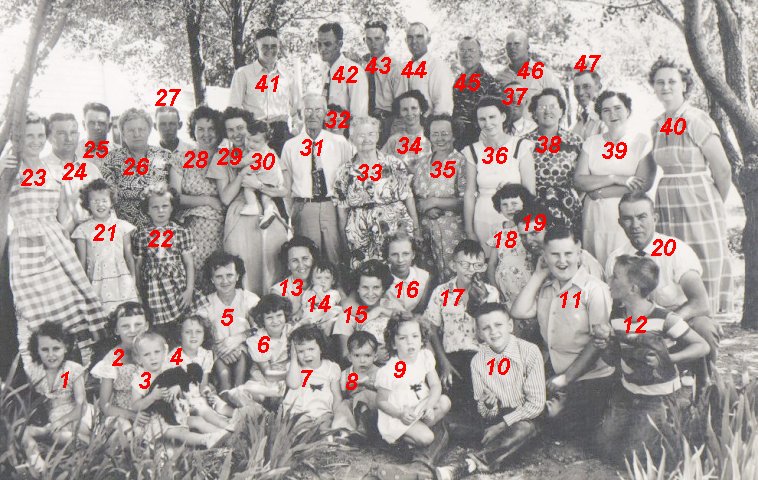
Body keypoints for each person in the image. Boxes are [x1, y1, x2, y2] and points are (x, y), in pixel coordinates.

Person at [3, 113, 106, 369]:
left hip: (57, 245)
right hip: (28, 248)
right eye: (29, 136)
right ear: (18, 138)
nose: (36, 141)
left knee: (75, 307)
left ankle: (78, 377)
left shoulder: (52, 169)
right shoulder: (10, 170)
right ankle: (50, 383)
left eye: (40, 135)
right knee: (44, 317)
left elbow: (64, 217)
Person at [639, 56, 733, 315]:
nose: (665, 87)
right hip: (668, 199)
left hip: (699, 198)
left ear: (684, 85)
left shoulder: (696, 119)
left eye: (672, 81)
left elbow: (723, 169)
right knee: (675, 261)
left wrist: (712, 202)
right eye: (660, 82)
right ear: (654, 87)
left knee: (702, 260)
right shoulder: (658, 125)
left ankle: (707, 329)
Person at [595, 255, 710, 465]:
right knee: (603, 446)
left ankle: (675, 416)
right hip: (628, 392)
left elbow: (702, 346)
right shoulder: (618, 318)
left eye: (615, 277)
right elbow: (614, 360)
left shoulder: (664, 318)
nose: (609, 281)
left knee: (632, 458)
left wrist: (669, 358)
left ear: (633, 288)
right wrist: (604, 347)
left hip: (659, 397)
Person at [607, 192, 720, 388]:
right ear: (620, 222)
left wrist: (664, 324)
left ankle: (705, 387)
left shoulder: (675, 249)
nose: (635, 225)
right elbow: (616, 306)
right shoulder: (617, 258)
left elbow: (700, 303)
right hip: (637, 324)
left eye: (642, 217)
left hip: (681, 319)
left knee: (705, 327)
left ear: (655, 218)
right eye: (628, 219)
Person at [510, 226, 614, 437]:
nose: (562, 261)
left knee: (550, 421)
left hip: (588, 378)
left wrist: (566, 378)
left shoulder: (594, 290)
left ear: (579, 253)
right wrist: (539, 275)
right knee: (516, 406)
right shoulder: (547, 287)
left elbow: (598, 342)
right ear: (544, 256)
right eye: (554, 255)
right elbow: (519, 311)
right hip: (555, 375)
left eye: (568, 254)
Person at [435, 303, 544, 480]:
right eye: (486, 328)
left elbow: (536, 405)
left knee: (524, 429)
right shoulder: (478, 360)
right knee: (446, 421)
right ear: (478, 334)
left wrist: (502, 425)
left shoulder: (530, 352)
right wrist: (488, 405)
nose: (493, 332)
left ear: (510, 325)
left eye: (498, 325)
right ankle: (422, 465)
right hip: (493, 421)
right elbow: (484, 412)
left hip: (523, 419)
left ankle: (469, 464)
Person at [207, 107, 288, 294]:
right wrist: (242, 173)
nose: (236, 134)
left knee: (271, 265)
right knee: (243, 268)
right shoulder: (222, 157)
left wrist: (258, 185)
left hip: (267, 210)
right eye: (230, 130)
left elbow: (283, 190)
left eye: (240, 128)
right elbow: (226, 197)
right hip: (240, 214)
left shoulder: (267, 151)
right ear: (225, 133)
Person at [573, 90, 653, 267]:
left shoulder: (641, 141)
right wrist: (615, 178)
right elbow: (579, 180)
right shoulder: (591, 143)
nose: (612, 114)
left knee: (626, 265)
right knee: (596, 264)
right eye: (606, 110)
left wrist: (600, 191)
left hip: (627, 213)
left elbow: (642, 184)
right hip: (595, 215)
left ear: (628, 111)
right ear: (600, 115)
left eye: (618, 108)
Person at [425, 239, 500, 414]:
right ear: (453, 265)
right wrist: (443, 362)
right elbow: (432, 330)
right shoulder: (441, 292)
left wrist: (479, 304)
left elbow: (489, 335)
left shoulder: (491, 293)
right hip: (451, 357)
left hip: (481, 358)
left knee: (482, 404)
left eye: (477, 265)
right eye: (464, 264)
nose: (471, 270)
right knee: (449, 399)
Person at [333, 116, 421, 261]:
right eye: (361, 135)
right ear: (352, 138)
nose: (366, 139)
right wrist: (344, 243)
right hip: (359, 234)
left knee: (397, 270)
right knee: (365, 277)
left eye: (371, 134)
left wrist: (416, 230)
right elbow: (342, 212)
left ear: (378, 136)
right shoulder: (344, 171)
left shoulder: (393, 163)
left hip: (395, 229)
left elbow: (408, 197)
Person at [280, 93, 352, 266]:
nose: (313, 115)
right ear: (300, 113)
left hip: (332, 207)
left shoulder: (340, 142)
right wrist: (294, 211)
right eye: (308, 110)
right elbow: (286, 185)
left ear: (326, 113)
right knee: (308, 259)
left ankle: (337, 292)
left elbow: (349, 178)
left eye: (318, 110)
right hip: (304, 207)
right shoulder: (290, 146)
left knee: (335, 257)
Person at [463, 96, 536, 257]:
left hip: (514, 218)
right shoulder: (472, 151)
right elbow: (469, 193)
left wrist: (526, 225)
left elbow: (530, 192)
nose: (487, 123)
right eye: (482, 119)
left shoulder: (520, 146)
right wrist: (469, 230)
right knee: (487, 264)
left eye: (492, 117)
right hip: (483, 218)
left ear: (503, 117)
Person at [130, 331, 229, 448]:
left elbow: (183, 387)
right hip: (156, 421)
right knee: (179, 432)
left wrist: (177, 388)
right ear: (139, 359)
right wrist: (152, 397)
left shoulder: (168, 369)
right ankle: (205, 440)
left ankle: (224, 435)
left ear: (164, 352)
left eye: (157, 352)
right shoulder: (142, 378)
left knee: (197, 420)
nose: (153, 358)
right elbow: (135, 406)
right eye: (147, 355)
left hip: (177, 414)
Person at [21, 322, 95, 476]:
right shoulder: (35, 371)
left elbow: (82, 405)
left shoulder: (71, 370)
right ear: (37, 350)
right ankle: (37, 462)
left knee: (58, 435)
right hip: (52, 422)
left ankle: (89, 445)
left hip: (76, 417)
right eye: (45, 349)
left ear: (66, 347)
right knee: (25, 431)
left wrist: (63, 421)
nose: (51, 354)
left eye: (56, 348)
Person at [168, 106, 225, 289]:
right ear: (193, 131)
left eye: (211, 129)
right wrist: (207, 200)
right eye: (200, 129)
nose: (206, 134)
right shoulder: (182, 158)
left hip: (223, 228)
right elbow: (174, 198)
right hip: (191, 229)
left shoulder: (226, 157)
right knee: (195, 279)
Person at [376, 311, 451, 446]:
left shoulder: (425, 356)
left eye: (415, 336)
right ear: (393, 343)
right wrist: (400, 414)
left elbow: (435, 385)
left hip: (420, 407)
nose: (410, 342)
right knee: (427, 438)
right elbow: (381, 402)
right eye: (403, 338)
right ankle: (401, 440)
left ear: (422, 340)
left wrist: (429, 406)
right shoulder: (388, 370)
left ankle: (419, 429)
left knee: (445, 402)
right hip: (399, 415)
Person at [132, 182, 195, 332]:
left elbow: (189, 264)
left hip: (176, 286)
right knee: (158, 327)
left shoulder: (181, 232)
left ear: (172, 207)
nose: (160, 211)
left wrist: (189, 290)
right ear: (147, 210)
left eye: (165, 206)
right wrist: (138, 291)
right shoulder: (141, 234)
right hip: (153, 290)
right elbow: (138, 266)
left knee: (181, 322)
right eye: (155, 207)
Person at [228, 28, 301, 155]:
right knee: (252, 173)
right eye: (265, 47)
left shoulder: (287, 75)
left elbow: (297, 110)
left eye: (274, 46)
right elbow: (233, 110)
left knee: (281, 174)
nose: (270, 50)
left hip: (281, 135)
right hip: (254, 134)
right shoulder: (243, 74)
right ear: (256, 48)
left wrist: (295, 133)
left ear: (279, 47)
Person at [412, 114, 467, 279]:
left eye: (445, 133)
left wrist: (434, 202)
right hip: (425, 231)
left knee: (453, 275)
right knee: (426, 277)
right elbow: (413, 197)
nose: (440, 138)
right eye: (435, 134)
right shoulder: (421, 163)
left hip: (452, 231)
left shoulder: (461, 161)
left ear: (454, 135)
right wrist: (425, 207)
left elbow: (466, 200)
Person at [72, 179, 139, 314]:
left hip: (122, 280)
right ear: (87, 204)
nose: (100, 205)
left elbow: (129, 257)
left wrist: (133, 281)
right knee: (102, 315)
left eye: (104, 200)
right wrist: (83, 289)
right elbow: (82, 263)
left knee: (125, 313)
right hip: (97, 282)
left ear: (111, 202)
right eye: (95, 201)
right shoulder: (83, 230)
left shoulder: (122, 226)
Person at [195, 252, 259, 391]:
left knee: (241, 354)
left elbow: (260, 328)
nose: (225, 281)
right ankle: (225, 390)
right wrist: (218, 348)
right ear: (212, 279)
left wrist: (239, 338)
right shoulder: (206, 303)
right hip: (218, 353)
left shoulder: (248, 299)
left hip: (244, 353)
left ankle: (239, 389)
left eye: (229, 275)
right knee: (223, 373)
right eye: (219, 276)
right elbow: (201, 334)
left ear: (237, 276)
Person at [101, 107, 172, 229]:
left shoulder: (165, 156)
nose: (137, 134)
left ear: (149, 130)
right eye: (131, 130)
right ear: (123, 133)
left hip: (161, 230)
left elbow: (174, 194)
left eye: (141, 129)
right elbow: (107, 198)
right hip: (125, 231)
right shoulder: (111, 159)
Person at [524, 88, 583, 229]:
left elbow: (582, 178)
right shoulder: (524, 143)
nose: (547, 111)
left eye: (553, 106)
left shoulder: (575, 142)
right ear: (534, 113)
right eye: (542, 107)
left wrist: (575, 200)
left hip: (568, 208)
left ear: (562, 111)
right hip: (534, 208)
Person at [90, 302, 150, 432]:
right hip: (120, 414)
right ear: (117, 330)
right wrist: (132, 416)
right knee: (124, 428)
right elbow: (105, 405)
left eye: (138, 324)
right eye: (125, 326)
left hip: (146, 410)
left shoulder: (154, 351)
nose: (133, 330)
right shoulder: (113, 359)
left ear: (146, 326)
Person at [226, 294, 292, 405]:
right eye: (269, 317)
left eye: (279, 315)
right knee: (236, 394)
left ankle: (272, 408)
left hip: (286, 380)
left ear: (285, 315)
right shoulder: (259, 339)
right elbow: (267, 373)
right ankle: (261, 413)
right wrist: (290, 375)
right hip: (264, 381)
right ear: (262, 319)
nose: (275, 321)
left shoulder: (291, 332)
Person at [334, 259, 404, 363]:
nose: (370, 293)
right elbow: (345, 355)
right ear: (357, 288)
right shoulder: (348, 315)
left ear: (383, 289)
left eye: (376, 287)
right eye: (365, 287)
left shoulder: (391, 305)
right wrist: (372, 356)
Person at [516, 205, 605, 280]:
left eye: (534, 233)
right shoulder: (527, 260)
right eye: (523, 236)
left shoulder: (581, 260)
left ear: (548, 229)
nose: (528, 241)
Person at [44, 112, 103, 226]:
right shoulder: (40, 170)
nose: (69, 138)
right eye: (61, 133)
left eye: (73, 133)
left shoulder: (91, 170)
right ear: (49, 138)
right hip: (53, 239)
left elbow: (107, 210)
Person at [283, 325, 342, 430]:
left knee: (326, 428)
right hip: (299, 412)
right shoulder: (294, 367)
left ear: (321, 348)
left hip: (323, 412)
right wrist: (293, 359)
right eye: (300, 351)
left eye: (311, 349)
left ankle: (329, 442)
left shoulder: (331, 368)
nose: (306, 355)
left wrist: (335, 414)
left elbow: (337, 396)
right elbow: (293, 384)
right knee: (300, 429)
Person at [486, 183, 536, 307]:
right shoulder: (498, 230)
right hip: (504, 287)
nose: (510, 208)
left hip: (527, 282)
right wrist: (494, 288)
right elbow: (492, 263)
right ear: (499, 207)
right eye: (505, 204)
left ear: (524, 203)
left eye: (514, 203)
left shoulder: (528, 228)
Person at [495, 30, 563, 120]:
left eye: (517, 44)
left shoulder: (543, 74)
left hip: (536, 132)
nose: (512, 48)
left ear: (527, 47)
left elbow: (561, 104)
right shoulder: (500, 77)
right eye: (509, 44)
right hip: (508, 132)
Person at [452, 36, 503, 149]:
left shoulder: (488, 81)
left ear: (481, 54)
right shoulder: (457, 80)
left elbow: (496, 116)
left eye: (471, 50)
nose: (466, 54)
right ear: (456, 55)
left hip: (479, 141)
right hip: (457, 141)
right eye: (462, 50)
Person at [359, 20, 405, 145]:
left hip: (388, 124)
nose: (373, 44)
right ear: (364, 40)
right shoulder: (365, 68)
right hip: (367, 123)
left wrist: (395, 135)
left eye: (378, 39)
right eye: (369, 39)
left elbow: (402, 107)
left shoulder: (395, 68)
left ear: (386, 40)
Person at [236, 120, 287, 227]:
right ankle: (269, 212)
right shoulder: (271, 151)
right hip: (274, 181)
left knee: (248, 187)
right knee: (266, 198)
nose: (250, 144)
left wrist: (232, 163)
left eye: (255, 142)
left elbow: (241, 163)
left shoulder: (255, 153)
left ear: (266, 141)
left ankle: (252, 205)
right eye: (248, 139)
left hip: (263, 179)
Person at [332, 331, 380, 434]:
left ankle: (363, 428)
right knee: (344, 405)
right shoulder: (346, 374)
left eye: (367, 355)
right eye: (357, 355)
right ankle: (343, 432)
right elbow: (344, 394)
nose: (362, 360)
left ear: (375, 357)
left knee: (364, 397)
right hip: (353, 407)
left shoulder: (380, 373)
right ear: (350, 357)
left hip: (373, 408)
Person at [402, 22, 454, 116]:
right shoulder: (405, 68)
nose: (414, 41)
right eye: (410, 37)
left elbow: (443, 108)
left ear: (428, 40)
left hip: (429, 126)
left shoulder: (437, 67)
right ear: (406, 40)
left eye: (419, 36)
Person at [318, 22, 369, 118]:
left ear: (339, 44)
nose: (322, 49)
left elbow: (359, 117)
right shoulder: (325, 71)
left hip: (345, 131)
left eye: (327, 44)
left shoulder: (353, 72)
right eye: (319, 44)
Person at [381, 89, 432, 172]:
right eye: (405, 109)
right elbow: (380, 161)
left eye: (414, 108)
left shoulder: (431, 137)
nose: (409, 113)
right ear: (399, 112)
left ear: (421, 110)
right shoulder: (394, 140)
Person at [271, 236, 320, 320]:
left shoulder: (324, 281)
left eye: (305, 259)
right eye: (294, 260)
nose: (301, 265)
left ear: (313, 260)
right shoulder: (278, 292)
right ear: (288, 265)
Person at [383, 232, 432, 313]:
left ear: (413, 255)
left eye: (405, 254)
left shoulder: (425, 277)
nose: (400, 260)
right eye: (394, 254)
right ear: (388, 256)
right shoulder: (379, 277)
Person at [300, 259, 343, 334]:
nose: (323, 281)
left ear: (333, 281)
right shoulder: (308, 293)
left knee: (336, 310)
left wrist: (319, 292)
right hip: (309, 320)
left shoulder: (333, 293)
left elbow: (328, 306)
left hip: (324, 320)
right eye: (318, 278)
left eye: (327, 278)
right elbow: (304, 306)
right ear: (312, 281)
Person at [76, 102, 112, 170]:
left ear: (109, 127)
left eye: (101, 123)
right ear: (84, 125)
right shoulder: (73, 153)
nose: (96, 127)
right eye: (91, 123)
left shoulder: (120, 154)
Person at [570, 71, 606, 140]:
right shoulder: (580, 119)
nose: (580, 93)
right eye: (576, 88)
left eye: (586, 87)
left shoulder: (605, 118)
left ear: (598, 87)